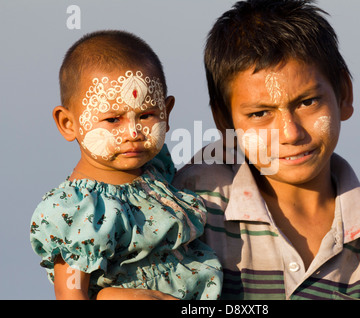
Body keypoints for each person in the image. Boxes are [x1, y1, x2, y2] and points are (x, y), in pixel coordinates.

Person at [173, 0, 360, 299]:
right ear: (224, 121)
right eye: (260, 114)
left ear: (343, 93)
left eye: (307, 103)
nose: (291, 133)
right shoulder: (192, 210)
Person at [30, 30, 222, 300]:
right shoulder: (80, 209)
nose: (133, 133)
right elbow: (70, 293)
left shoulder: (156, 170)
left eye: (146, 115)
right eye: (113, 120)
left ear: (167, 112)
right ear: (68, 124)